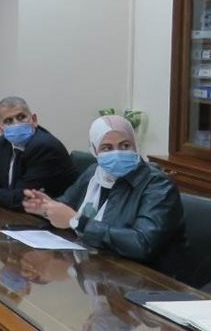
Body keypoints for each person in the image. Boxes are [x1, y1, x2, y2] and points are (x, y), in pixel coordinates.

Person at [23, 114, 187, 269]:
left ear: (135, 146)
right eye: (107, 148)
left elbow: (142, 244)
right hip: (98, 264)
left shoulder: (158, 185)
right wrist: (47, 207)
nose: (117, 153)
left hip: (146, 276)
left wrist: (78, 222)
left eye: (125, 146)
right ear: (94, 151)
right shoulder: (94, 173)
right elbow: (67, 206)